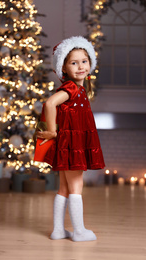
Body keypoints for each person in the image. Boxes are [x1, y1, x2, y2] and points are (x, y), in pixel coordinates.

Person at [36, 36, 105, 242]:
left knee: (64, 188)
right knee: (76, 187)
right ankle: (79, 231)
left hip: (70, 143)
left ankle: (58, 230)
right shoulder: (72, 88)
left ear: (90, 63)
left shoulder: (80, 89)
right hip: (72, 144)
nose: (80, 66)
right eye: (73, 63)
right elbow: (49, 104)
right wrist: (51, 132)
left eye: (84, 61)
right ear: (64, 68)